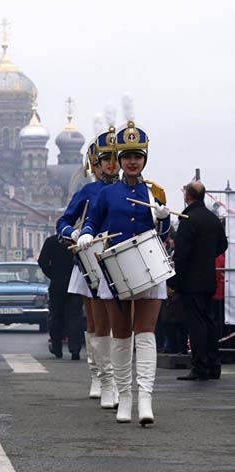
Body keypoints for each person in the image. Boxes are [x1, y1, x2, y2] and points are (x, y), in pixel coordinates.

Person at [78, 97, 171, 425]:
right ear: (119, 159)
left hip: (147, 268)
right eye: (127, 157)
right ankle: (124, 398)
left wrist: (162, 218)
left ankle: (145, 398)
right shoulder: (106, 193)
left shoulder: (154, 191)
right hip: (115, 270)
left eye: (137, 157)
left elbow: (164, 229)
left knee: (145, 334)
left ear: (144, 159)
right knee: (121, 335)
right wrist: (86, 235)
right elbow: (93, 221)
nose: (132, 162)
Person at [56, 112, 120, 407]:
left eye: (113, 159)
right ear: (93, 166)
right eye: (102, 161)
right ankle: (99, 374)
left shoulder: (132, 188)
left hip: (121, 257)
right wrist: (75, 232)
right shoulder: (88, 190)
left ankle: (118, 377)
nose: (109, 165)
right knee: (97, 321)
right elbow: (64, 222)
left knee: (121, 321)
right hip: (92, 258)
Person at [174, 181, 228, 381]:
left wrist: (176, 280)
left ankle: (199, 366)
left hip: (191, 280)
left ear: (188, 196)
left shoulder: (188, 218)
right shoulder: (212, 219)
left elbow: (181, 253)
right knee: (210, 322)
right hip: (208, 278)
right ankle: (214, 365)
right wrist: (206, 257)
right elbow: (222, 245)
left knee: (196, 324)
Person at [38, 233, 83, 360]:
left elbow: (42, 261)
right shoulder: (77, 241)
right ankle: (75, 350)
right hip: (76, 284)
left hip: (57, 284)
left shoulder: (51, 241)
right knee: (75, 316)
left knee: (56, 316)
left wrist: (52, 274)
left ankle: (57, 348)